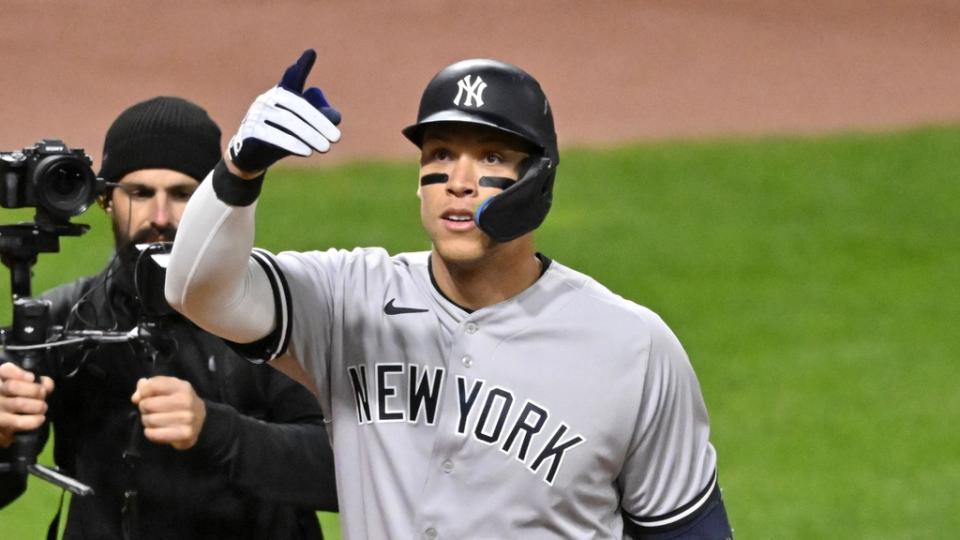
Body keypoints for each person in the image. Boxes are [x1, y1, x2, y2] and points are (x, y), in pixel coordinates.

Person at [166, 50, 733, 539]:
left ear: (539, 181)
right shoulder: (349, 300)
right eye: (440, 154)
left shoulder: (632, 348)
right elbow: (198, 292)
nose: (458, 181)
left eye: (490, 157)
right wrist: (237, 173)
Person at [0, 96, 337, 539]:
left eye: (183, 195)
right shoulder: (64, 321)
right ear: (105, 201)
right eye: (139, 193)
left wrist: (218, 430)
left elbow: (343, 472)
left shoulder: (272, 316)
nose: (160, 217)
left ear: (216, 203)